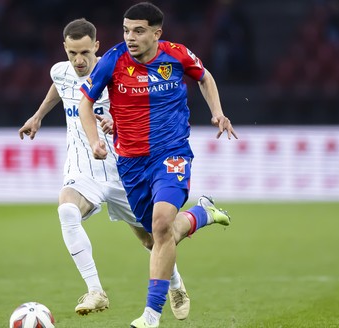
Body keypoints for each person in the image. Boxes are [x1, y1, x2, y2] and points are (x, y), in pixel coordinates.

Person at [19, 18, 220, 319]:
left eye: (85, 52)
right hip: (84, 167)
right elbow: (60, 87)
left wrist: (116, 121)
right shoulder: (60, 71)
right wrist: (38, 116)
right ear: (65, 50)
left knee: (153, 238)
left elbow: (137, 103)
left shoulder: (114, 69)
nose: (79, 60)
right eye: (72, 53)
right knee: (66, 209)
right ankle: (95, 290)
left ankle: (176, 285)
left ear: (96, 47)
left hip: (123, 167)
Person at [77, 3, 237, 327]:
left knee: (162, 223)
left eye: (138, 31)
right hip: (131, 162)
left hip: (171, 152)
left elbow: (205, 78)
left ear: (156, 33)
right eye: (126, 30)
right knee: (156, 237)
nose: (130, 37)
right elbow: (85, 102)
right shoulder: (113, 60)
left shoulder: (176, 55)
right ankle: (201, 214)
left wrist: (217, 112)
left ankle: (150, 316)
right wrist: (95, 140)